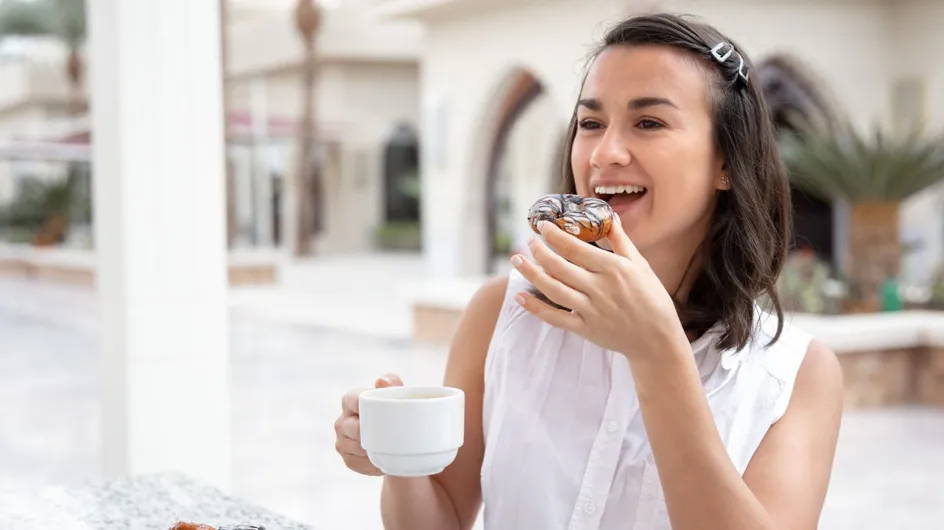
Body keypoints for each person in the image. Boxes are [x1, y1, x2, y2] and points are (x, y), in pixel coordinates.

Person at [335, 12, 843, 530]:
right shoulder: (501, 314)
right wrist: (400, 456)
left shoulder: (797, 376)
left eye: (649, 123)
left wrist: (658, 354)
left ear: (727, 163)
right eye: (591, 123)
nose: (605, 153)